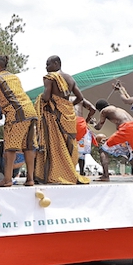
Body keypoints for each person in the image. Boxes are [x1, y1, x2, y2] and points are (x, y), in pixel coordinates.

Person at [35, 55, 92, 184]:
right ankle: (70, 171)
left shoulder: (49, 78)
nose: (46, 68)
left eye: (48, 64)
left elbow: (46, 96)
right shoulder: (70, 78)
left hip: (54, 115)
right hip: (68, 115)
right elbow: (80, 97)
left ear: (56, 64)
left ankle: (56, 173)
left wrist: (40, 99)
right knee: (68, 144)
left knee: (54, 145)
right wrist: (68, 105)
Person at [0, 56, 38, 187]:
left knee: (10, 148)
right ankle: (30, 179)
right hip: (30, 110)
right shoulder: (14, 77)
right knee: (28, 147)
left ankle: (7, 179)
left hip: (16, 114)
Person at [93, 100, 133, 181]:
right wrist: (108, 138)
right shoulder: (119, 110)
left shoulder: (104, 111)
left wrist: (93, 123)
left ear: (99, 109)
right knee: (128, 152)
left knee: (103, 149)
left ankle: (105, 176)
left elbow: (98, 127)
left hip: (127, 130)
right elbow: (122, 132)